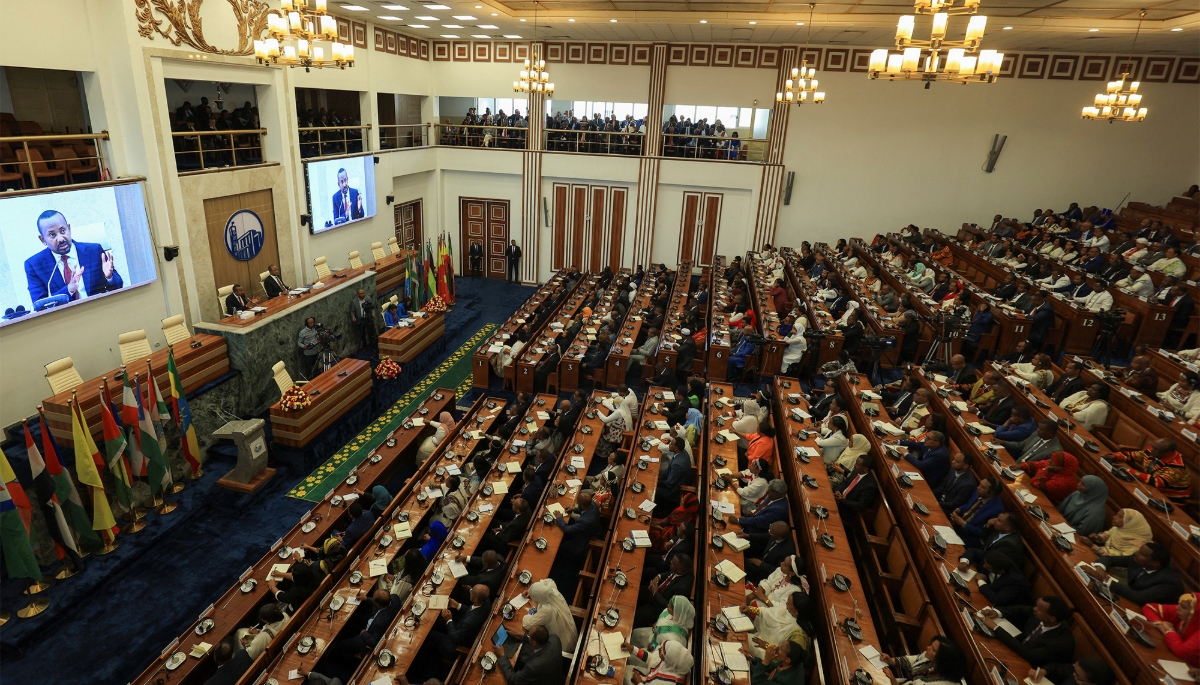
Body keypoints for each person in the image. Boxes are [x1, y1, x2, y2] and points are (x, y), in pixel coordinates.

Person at [24, 209, 124, 304]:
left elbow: (118, 286)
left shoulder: (94, 251)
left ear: (69, 228)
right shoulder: (34, 265)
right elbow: (40, 305)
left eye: (63, 231)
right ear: (43, 240)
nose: (60, 239)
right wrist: (69, 290)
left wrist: (109, 277)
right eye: (52, 235)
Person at [983, 596, 1076, 676]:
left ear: (1052, 618)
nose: (1034, 609)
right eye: (1036, 606)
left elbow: (1028, 654)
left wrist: (996, 628)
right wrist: (998, 612)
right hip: (1015, 652)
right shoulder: (1041, 615)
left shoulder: (1061, 642)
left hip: (1028, 669)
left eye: (1039, 609)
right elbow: (1020, 609)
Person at [1085, 542, 1185, 604]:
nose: (1136, 553)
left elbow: (1139, 597)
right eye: (1139, 550)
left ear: (1155, 564)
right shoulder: (1137, 559)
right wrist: (1100, 568)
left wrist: (1105, 580)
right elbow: (1111, 560)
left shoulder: (1169, 582)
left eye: (1142, 554)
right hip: (1132, 597)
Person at [1108, 438, 1191, 502]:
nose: (1151, 450)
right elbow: (1134, 456)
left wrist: (1130, 471)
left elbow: (1158, 482)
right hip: (1148, 489)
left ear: (1167, 453)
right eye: (1152, 446)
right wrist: (1115, 456)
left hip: (1168, 499)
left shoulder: (1177, 465)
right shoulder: (1153, 450)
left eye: (1155, 449)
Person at [879, 635, 969, 685]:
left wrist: (893, 680)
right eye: (931, 645)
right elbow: (914, 660)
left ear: (942, 660)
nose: (927, 648)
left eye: (933, 649)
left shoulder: (942, 683)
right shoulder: (931, 660)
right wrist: (891, 661)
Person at [635, 554, 694, 627]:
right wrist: (659, 576)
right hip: (656, 592)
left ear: (679, 569)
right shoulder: (682, 570)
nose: (670, 563)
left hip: (658, 607)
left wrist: (655, 593)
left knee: (636, 615)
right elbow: (671, 573)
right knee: (635, 591)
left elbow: (670, 607)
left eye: (672, 563)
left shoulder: (682, 589)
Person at [952, 480, 1010, 553]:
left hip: (968, 537)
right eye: (980, 484)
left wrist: (963, 524)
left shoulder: (997, 510)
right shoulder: (979, 493)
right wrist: (959, 509)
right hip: (956, 524)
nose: (978, 487)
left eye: (982, 487)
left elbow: (983, 532)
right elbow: (968, 504)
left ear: (991, 493)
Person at [1142, 594, 1198, 667]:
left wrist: (1170, 630)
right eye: (1179, 604)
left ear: (1195, 613)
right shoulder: (1181, 613)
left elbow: (1181, 651)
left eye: (1183, 607)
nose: (1177, 607)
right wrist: (1163, 629)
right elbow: (1149, 607)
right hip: (1173, 658)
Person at [520, 578, 578, 649]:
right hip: (570, 632)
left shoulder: (547, 610)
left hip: (563, 644)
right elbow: (549, 581)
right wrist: (531, 591)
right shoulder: (552, 590)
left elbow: (527, 624)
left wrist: (533, 607)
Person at [497, 625, 564, 685]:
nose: (527, 635)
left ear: (534, 643)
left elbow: (513, 680)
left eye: (529, 635)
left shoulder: (533, 666)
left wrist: (502, 655)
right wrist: (520, 634)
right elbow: (539, 640)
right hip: (555, 676)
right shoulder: (555, 639)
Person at [630, 594, 695, 653]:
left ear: (677, 612)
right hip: (653, 635)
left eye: (670, 606)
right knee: (635, 633)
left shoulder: (675, 639)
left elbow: (665, 655)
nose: (668, 605)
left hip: (654, 652)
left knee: (631, 656)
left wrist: (653, 647)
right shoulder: (670, 612)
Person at [1086, 508, 1152, 557]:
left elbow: (1117, 560)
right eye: (1117, 514)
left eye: (1120, 517)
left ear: (1130, 523)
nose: (1114, 517)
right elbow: (1108, 534)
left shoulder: (1138, 546)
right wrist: (1098, 537)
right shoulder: (1120, 528)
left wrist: (1092, 546)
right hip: (1100, 555)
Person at [626, 640, 694, 685]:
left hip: (642, 682)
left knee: (624, 673)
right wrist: (632, 648)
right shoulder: (673, 663)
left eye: (661, 651)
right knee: (627, 668)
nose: (658, 649)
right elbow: (652, 659)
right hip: (648, 677)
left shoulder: (669, 682)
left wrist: (638, 682)